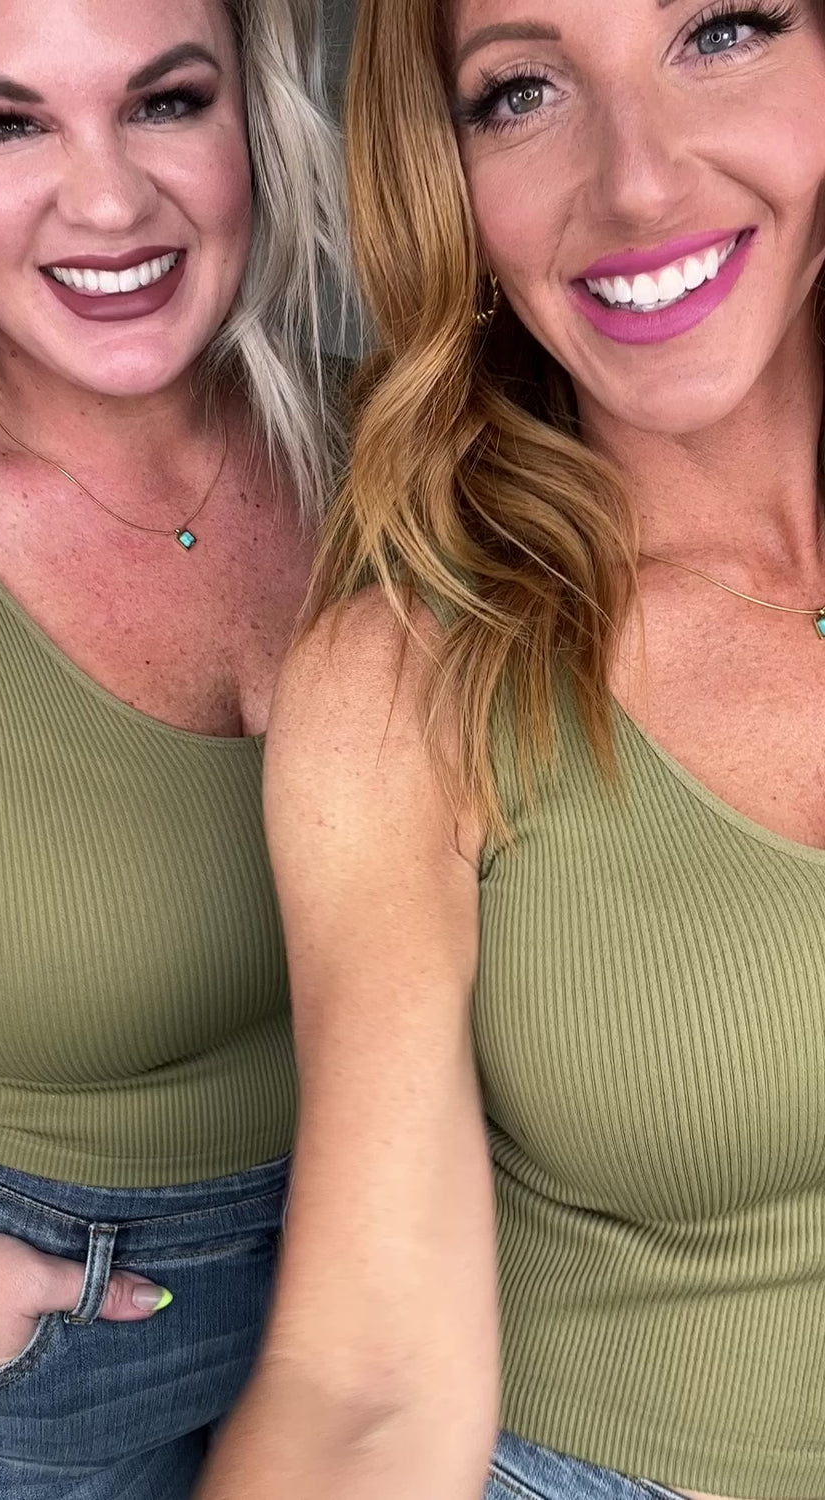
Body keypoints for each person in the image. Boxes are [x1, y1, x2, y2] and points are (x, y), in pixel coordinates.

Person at [196, 1, 825, 1498]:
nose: (640, 183)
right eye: (521, 91)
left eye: (723, 29)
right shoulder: (407, 684)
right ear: (447, 183)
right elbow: (366, 1392)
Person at [0, 0, 346, 1495]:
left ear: (256, 118)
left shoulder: (399, 454)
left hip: (385, 1309)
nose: (108, 201)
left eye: (166, 102)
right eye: (7, 123)